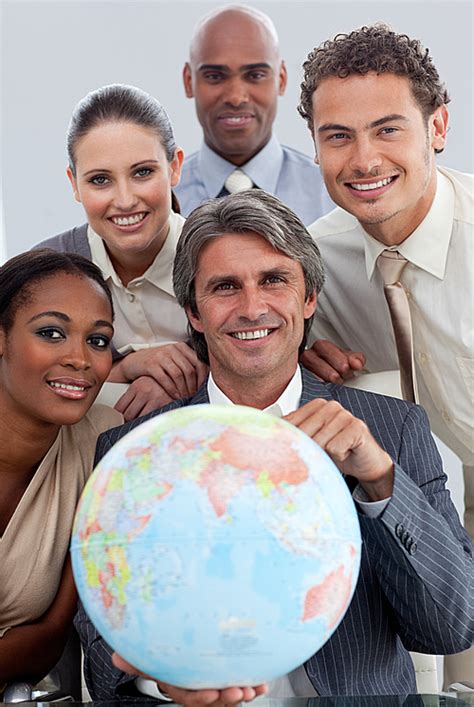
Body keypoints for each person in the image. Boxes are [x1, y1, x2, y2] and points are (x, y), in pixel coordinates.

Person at [75, 191, 473, 703]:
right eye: (224, 287)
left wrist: (379, 480)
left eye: (274, 280)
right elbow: (99, 641)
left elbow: (452, 626)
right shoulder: (130, 452)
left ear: (308, 299)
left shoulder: (391, 430)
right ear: (194, 312)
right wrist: (159, 676)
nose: (251, 308)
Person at [297, 24, 474, 686]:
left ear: (438, 126)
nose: (364, 159)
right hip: (421, 494)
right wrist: (300, 355)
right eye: (337, 136)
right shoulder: (315, 260)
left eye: (388, 129)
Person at [36, 84, 207, 422]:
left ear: (174, 167)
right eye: (100, 180)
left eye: (142, 172)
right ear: (74, 184)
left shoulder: (224, 258)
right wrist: (125, 370)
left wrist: (185, 384)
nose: (125, 200)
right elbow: (22, 385)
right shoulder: (42, 275)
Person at [0, 249, 122, 693]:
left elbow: (49, 637)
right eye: (51, 333)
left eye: (98, 340)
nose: (80, 359)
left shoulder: (102, 441)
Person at [175, 4, 331, 225]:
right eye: (215, 76)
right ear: (189, 81)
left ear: (282, 79)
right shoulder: (161, 204)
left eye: (255, 75)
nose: (236, 97)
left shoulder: (332, 199)